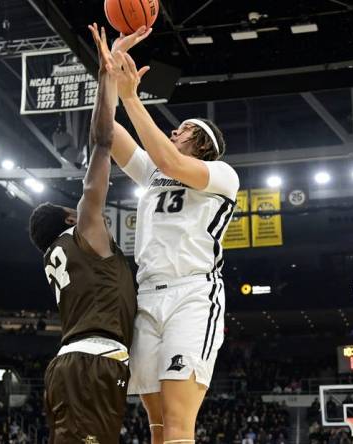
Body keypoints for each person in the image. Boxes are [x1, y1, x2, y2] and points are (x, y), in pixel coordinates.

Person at [95, 30, 240, 444]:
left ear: (202, 143)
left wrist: (131, 97)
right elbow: (106, 134)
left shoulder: (221, 175)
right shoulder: (155, 170)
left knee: (178, 423)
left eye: (183, 130)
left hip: (192, 295)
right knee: (156, 424)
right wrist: (108, 75)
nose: (174, 131)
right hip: (146, 296)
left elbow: (169, 159)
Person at [28, 23, 137, 444]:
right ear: (71, 219)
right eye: (72, 209)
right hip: (91, 364)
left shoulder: (66, 251)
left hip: (82, 363)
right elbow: (101, 144)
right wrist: (105, 76)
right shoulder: (84, 233)